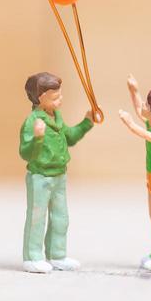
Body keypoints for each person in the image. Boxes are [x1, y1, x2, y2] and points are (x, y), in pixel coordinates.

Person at [19, 71, 98, 273]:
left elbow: (70, 137)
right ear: (39, 98)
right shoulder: (32, 122)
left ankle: (57, 254)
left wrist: (87, 122)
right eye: (55, 97)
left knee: (61, 217)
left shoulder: (57, 117)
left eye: (59, 96)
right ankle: (32, 257)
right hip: (40, 177)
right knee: (37, 217)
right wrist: (37, 138)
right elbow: (26, 153)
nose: (60, 100)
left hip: (59, 176)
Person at [118, 74, 151, 273]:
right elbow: (140, 109)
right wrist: (134, 90)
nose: (144, 108)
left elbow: (145, 134)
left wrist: (129, 123)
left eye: (149, 106)